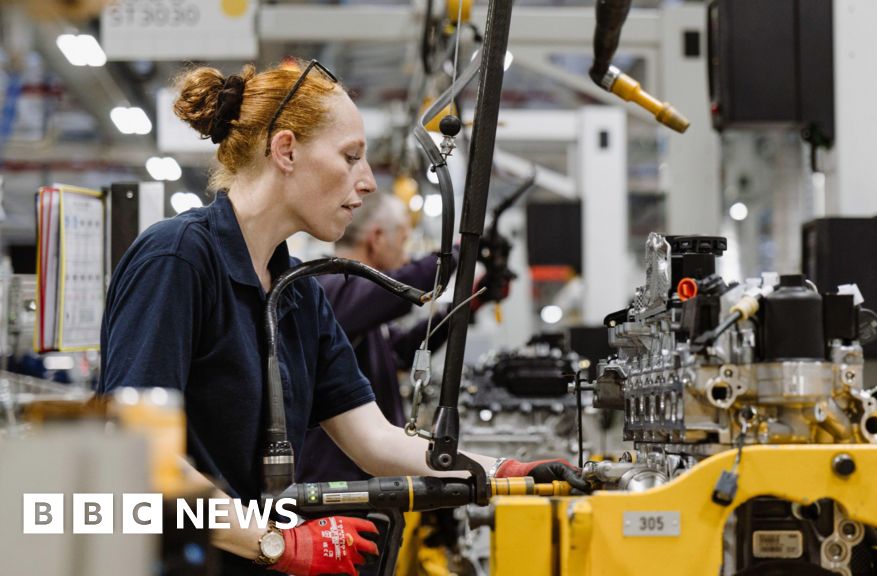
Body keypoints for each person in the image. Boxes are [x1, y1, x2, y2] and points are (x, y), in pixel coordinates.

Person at [97, 60, 585, 576]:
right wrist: (278, 543)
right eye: (351, 156)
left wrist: (505, 473)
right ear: (286, 151)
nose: (369, 181)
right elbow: (137, 457)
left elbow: (377, 441)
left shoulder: (298, 291)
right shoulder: (177, 259)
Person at [297, 192, 454, 483]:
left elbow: (402, 351)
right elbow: (405, 284)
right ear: (377, 237)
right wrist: (455, 254)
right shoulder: (328, 288)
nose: (405, 255)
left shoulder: (360, 307)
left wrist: (461, 309)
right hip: (339, 487)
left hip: (369, 480)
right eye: (403, 240)